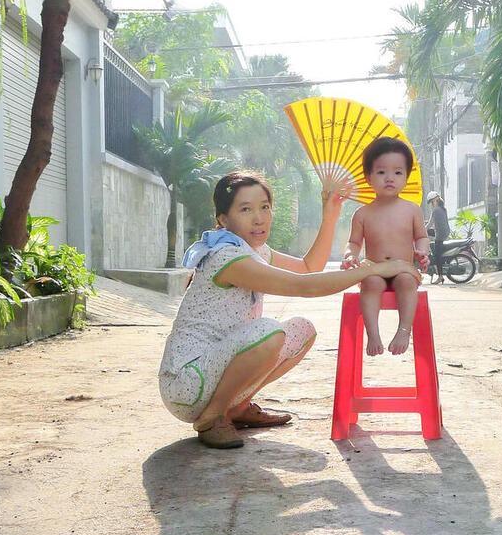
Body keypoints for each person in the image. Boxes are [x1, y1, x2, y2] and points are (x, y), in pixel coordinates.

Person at [159, 170, 420, 449]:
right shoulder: (227, 256)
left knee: (300, 330)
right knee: (269, 331)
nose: (259, 218)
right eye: (245, 209)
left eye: (265, 207)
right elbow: (305, 286)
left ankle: (237, 409)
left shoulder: (255, 250)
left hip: (212, 369)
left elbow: (309, 268)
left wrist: (330, 213)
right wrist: (380, 268)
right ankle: (211, 417)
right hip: (185, 384)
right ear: (223, 219)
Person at [341, 136, 430, 357]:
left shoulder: (411, 210)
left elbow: (421, 237)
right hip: (375, 268)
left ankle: (403, 330)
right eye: (381, 172)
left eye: (397, 172)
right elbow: (354, 242)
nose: (389, 178)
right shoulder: (362, 213)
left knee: (407, 282)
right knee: (370, 283)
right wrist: (349, 255)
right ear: (368, 177)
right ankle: (372, 333)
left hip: (403, 268)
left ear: (406, 177)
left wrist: (422, 252)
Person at [426, 191, 450, 284]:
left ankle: (440, 276)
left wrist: (422, 230)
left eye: (432, 201)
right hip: (445, 232)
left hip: (440, 234)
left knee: (437, 256)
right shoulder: (443, 208)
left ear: (435, 199)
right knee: (433, 247)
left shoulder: (436, 210)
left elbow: (430, 223)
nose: (432, 203)